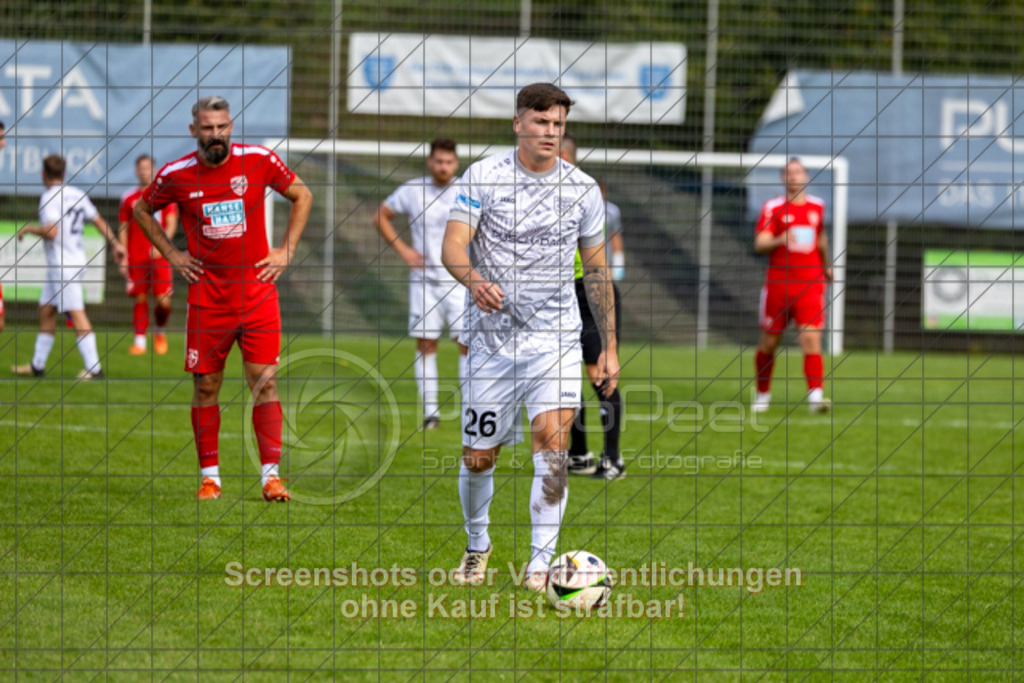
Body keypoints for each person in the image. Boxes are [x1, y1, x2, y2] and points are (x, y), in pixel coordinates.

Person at [442, 83, 619, 592]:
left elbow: (598, 270)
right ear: (518, 123)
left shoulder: (582, 189)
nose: (550, 131)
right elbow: (453, 245)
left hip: (556, 340)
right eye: (541, 122)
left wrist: (606, 345)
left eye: (558, 123)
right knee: (479, 455)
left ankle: (540, 566)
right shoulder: (484, 177)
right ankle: (478, 546)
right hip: (491, 343)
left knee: (554, 448)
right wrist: (475, 280)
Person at [133, 95, 313, 502]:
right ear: (194, 131)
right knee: (207, 386)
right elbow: (143, 211)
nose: (216, 135)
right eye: (208, 128)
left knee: (265, 383)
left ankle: (271, 478)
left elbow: (304, 196)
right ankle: (210, 478)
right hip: (207, 301)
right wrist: (173, 254)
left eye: (222, 127)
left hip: (258, 296)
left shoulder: (260, 160)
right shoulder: (176, 174)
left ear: (231, 127)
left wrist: (286, 250)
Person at [373, 138, 467, 430]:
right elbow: (381, 216)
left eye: (449, 162)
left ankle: (470, 411)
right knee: (426, 345)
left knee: (468, 345)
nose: (443, 167)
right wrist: (405, 251)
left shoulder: (467, 188)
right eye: (438, 161)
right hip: (424, 281)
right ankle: (431, 414)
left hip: (460, 282)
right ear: (430, 161)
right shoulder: (413, 190)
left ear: (456, 163)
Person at [12, 154, 127, 379]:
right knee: (46, 309)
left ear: (43, 174)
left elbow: (51, 231)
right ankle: (37, 365)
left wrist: (30, 228)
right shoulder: (76, 194)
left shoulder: (48, 197)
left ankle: (94, 369)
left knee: (76, 312)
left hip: (63, 266)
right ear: (64, 174)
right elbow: (99, 220)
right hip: (74, 261)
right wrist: (115, 244)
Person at [559, 134, 627, 480]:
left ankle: (612, 459)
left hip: (590, 291)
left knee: (600, 374)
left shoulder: (585, 195)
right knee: (562, 378)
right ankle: (578, 453)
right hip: (557, 293)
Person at [753, 157, 833, 413]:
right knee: (769, 343)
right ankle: (762, 395)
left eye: (798, 172)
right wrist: (781, 238)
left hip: (810, 282)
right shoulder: (772, 207)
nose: (794, 177)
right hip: (778, 284)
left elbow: (820, 238)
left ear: (805, 176)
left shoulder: (817, 206)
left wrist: (827, 264)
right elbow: (760, 243)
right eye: (789, 173)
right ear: (782, 178)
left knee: (811, 339)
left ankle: (815, 397)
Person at [119, 154, 179, 355]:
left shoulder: (164, 193)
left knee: (164, 301)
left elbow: (171, 223)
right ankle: (140, 342)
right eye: (141, 168)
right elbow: (123, 227)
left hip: (160, 256)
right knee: (140, 298)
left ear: (154, 169)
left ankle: (160, 330)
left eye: (147, 167)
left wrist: (162, 245)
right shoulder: (129, 198)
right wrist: (124, 254)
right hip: (137, 255)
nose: (144, 171)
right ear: (136, 171)